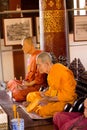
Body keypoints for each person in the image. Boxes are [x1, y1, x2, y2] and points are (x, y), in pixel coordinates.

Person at [24, 52, 77, 117]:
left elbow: (68, 96)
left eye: (39, 65)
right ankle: (35, 105)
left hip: (66, 102)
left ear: (47, 64)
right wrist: (44, 94)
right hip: (54, 98)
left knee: (44, 110)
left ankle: (35, 105)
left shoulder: (63, 73)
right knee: (30, 95)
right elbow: (53, 91)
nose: (38, 68)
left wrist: (49, 99)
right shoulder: (50, 73)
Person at [7, 37, 47, 101]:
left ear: (31, 45)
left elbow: (40, 79)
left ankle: (14, 92)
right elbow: (29, 75)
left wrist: (28, 84)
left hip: (36, 86)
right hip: (28, 84)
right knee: (10, 82)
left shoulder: (39, 56)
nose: (22, 48)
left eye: (24, 45)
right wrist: (23, 84)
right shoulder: (30, 57)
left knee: (18, 94)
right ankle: (15, 91)